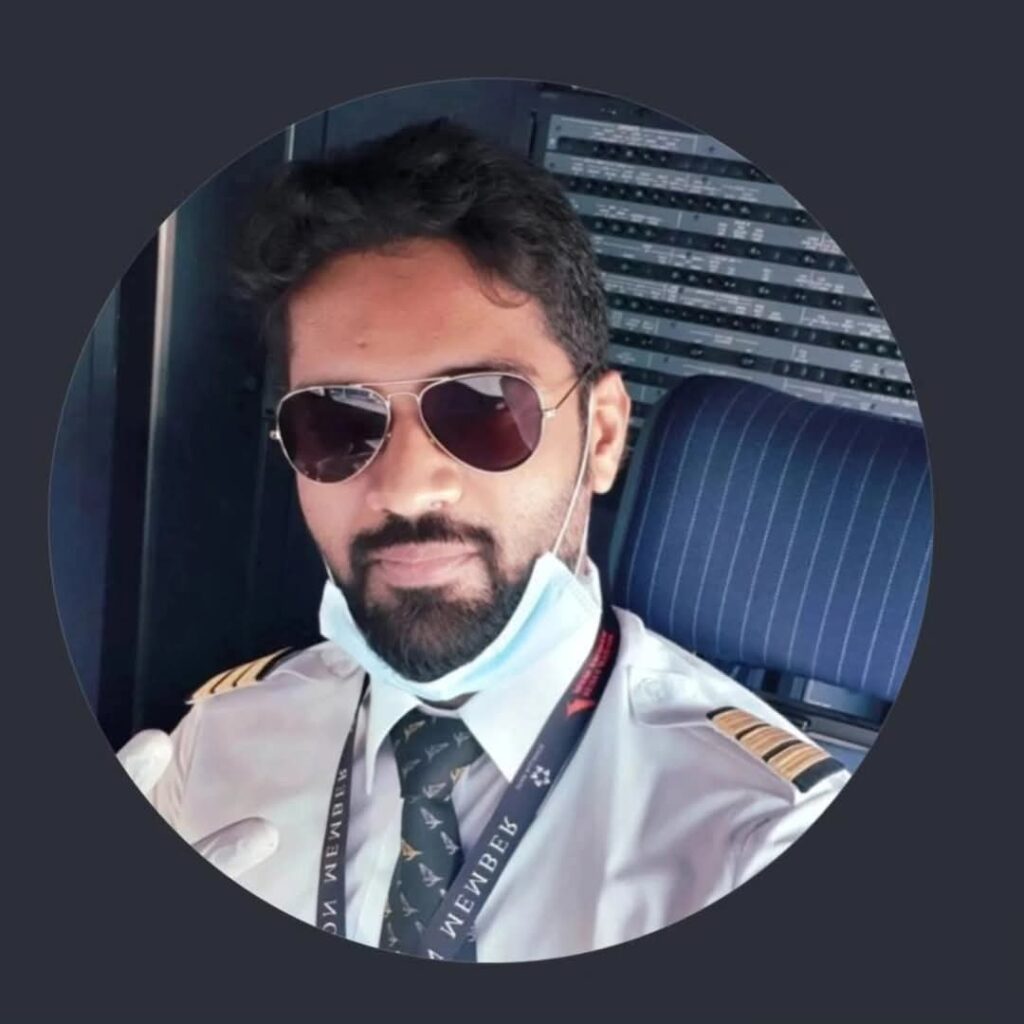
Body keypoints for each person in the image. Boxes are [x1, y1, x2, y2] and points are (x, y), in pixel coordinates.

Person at [117, 119, 850, 963]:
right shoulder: (216, 746)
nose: (403, 487)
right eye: (335, 422)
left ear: (603, 437)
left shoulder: (757, 841)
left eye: (484, 408)